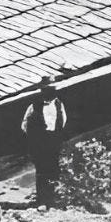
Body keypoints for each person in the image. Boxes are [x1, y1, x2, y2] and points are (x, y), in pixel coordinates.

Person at [21, 76, 68, 206]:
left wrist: (54, 136)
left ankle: (53, 198)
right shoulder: (34, 106)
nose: (49, 92)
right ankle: (42, 200)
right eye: (46, 90)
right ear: (42, 91)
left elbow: (63, 122)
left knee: (54, 170)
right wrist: (37, 137)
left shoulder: (59, 104)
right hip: (39, 143)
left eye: (52, 89)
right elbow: (24, 125)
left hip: (53, 141)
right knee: (42, 171)